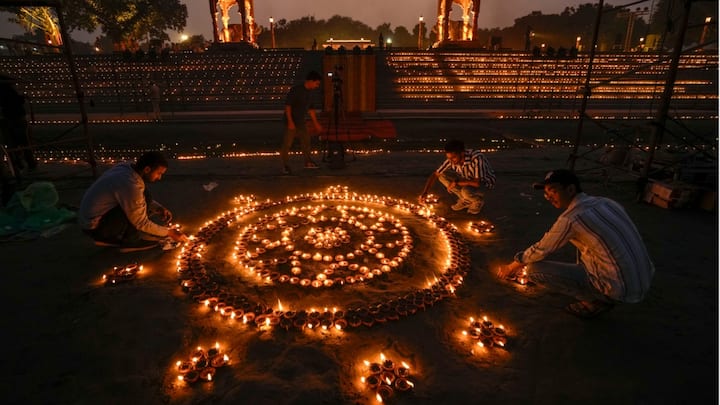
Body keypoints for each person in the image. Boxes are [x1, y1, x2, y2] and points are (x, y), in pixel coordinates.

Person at [497, 169, 655, 319]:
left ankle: (597, 301)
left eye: (553, 191)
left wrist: (512, 266)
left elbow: (542, 249)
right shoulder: (607, 202)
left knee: (533, 270)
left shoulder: (572, 218)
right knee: (585, 245)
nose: (549, 196)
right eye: (546, 193)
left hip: (619, 288)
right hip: (643, 279)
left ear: (571, 189)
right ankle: (603, 289)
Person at [78, 151, 188, 252]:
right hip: (95, 227)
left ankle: (109, 237)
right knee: (138, 208)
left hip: (91, 220)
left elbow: (137, 198)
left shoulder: (127, 168)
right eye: (159, 173)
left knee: (145, 196)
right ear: (147, 169)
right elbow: (140, 223)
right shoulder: (130, 185)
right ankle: (130, 242)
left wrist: (158, 208)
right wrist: (169, 232)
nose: (159, 178)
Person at [419, 139, 495, 214]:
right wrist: (425, 192)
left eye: (453, 158)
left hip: (484, 185)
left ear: (462, 153)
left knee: (466, 191)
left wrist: (456, 182)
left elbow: (476, 183)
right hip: (467, 180)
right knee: (442, 175)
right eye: (449, 158)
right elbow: (435, 174)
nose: (451, 161)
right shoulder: (451, 160)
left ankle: (477, 201)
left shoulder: (476, 157)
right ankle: (466, 200)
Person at [280, 70, 323, 174]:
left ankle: (307, 162)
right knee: (287, 144)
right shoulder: (296, 90)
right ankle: (285, 165)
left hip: (301, 122)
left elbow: (311, 110)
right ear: (311, 81)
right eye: (317, 83)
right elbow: (288, 106)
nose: (317, 86)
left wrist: (316, 123)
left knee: (306, 141)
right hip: (291, 120)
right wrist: (290, 122)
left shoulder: (310, 93)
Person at [0, 73, 37, 174]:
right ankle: (28, 163)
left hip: (8, 118)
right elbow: (14, 102)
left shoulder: (4, 91)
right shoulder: (8, 91)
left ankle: (17, 164)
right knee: (23, 142)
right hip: (15, 118)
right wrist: (22, 98)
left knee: (12, 143)